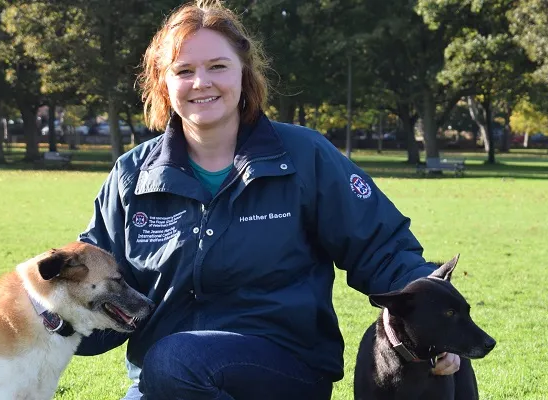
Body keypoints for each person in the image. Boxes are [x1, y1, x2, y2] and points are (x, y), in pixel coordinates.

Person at [76, 1, 463, 399]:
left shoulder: (304, 156)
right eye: (184, 71)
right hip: (166, 381)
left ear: (245, 72)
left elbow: (382, 250)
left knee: (175, 359)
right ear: (163, 82)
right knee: (172, 365)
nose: (201, 82)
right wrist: (47, 312)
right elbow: (90, 283)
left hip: (284, 369)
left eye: (218, 67)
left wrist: (432, 320)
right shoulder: (132, 176)